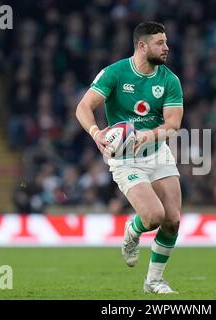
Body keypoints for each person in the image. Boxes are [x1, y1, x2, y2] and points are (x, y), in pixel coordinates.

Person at [75, 22, 183, 294]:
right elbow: (84, 106)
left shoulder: (169, 80)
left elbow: (172, 124)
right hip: (124, 158)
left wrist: (150, 135)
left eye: (166, 42)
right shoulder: (115, 73)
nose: (166, 47)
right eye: (160, 43)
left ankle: (154, 281)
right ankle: (133, 232)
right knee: (154, 216)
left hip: (157, 152)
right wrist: (96, 132)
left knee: (173, 219)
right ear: (142, 46)